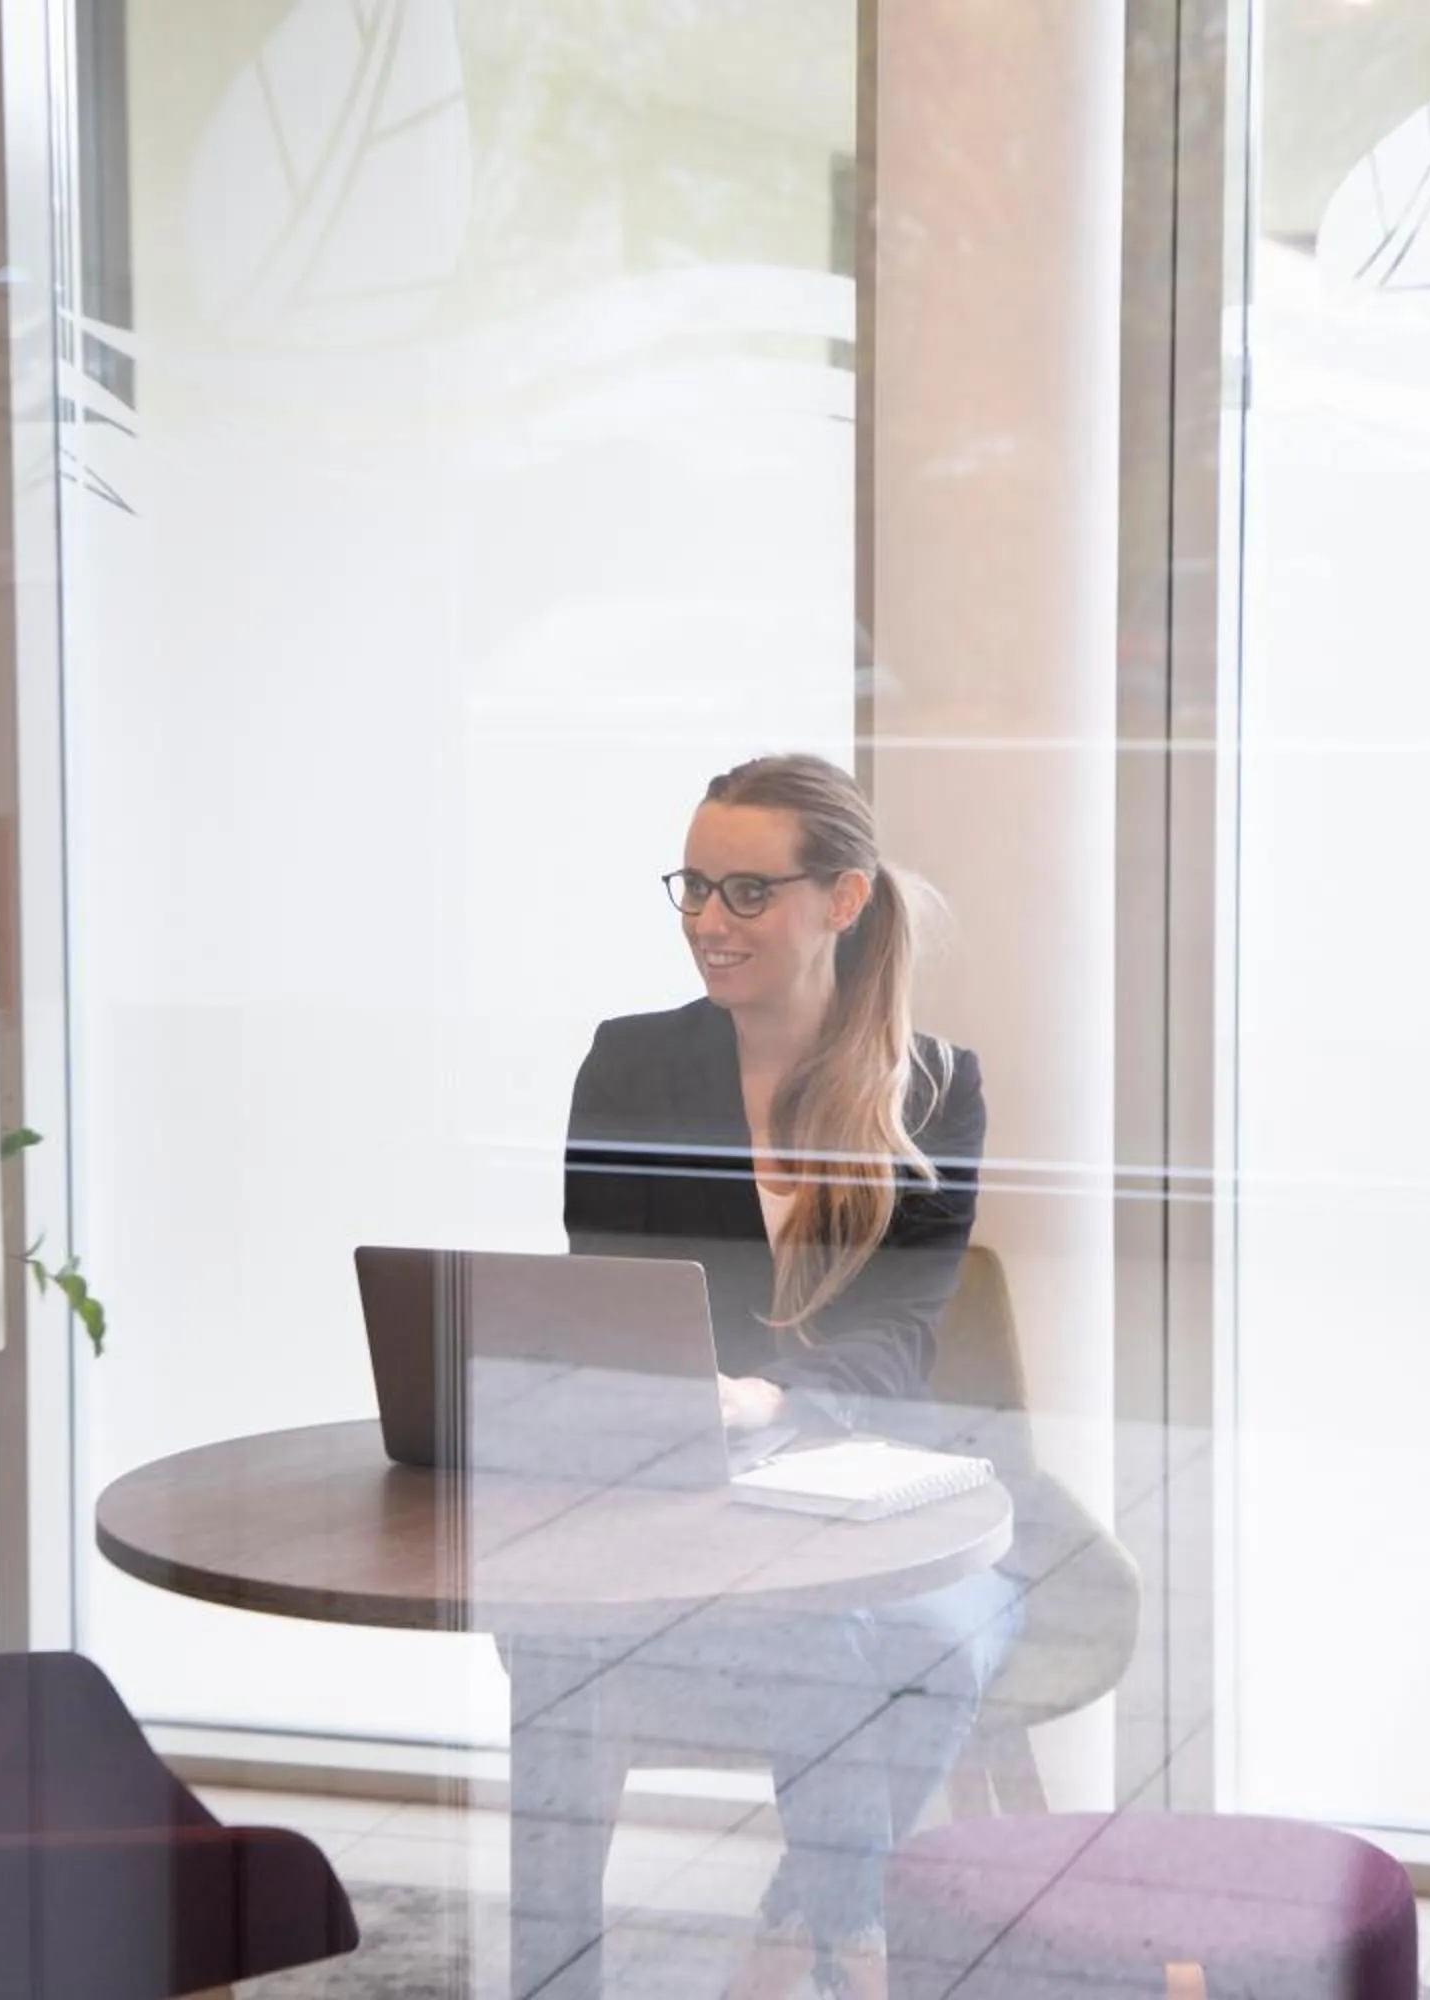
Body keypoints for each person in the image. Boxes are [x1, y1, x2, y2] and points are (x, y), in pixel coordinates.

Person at [557, 752, 1019, 2000]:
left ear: (843, 898)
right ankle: (849, 1938)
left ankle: (810, 1915)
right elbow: (610, 1301)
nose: (710, 921)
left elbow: (898, 1342)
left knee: (929, 1636)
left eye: (749, 892)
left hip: (879, 1483)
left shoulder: (933, 1088)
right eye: (695, 885)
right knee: (826, 1634)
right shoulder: (631, 1066)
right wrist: (704, 1405)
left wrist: (760, 1395)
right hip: (681, 1495)